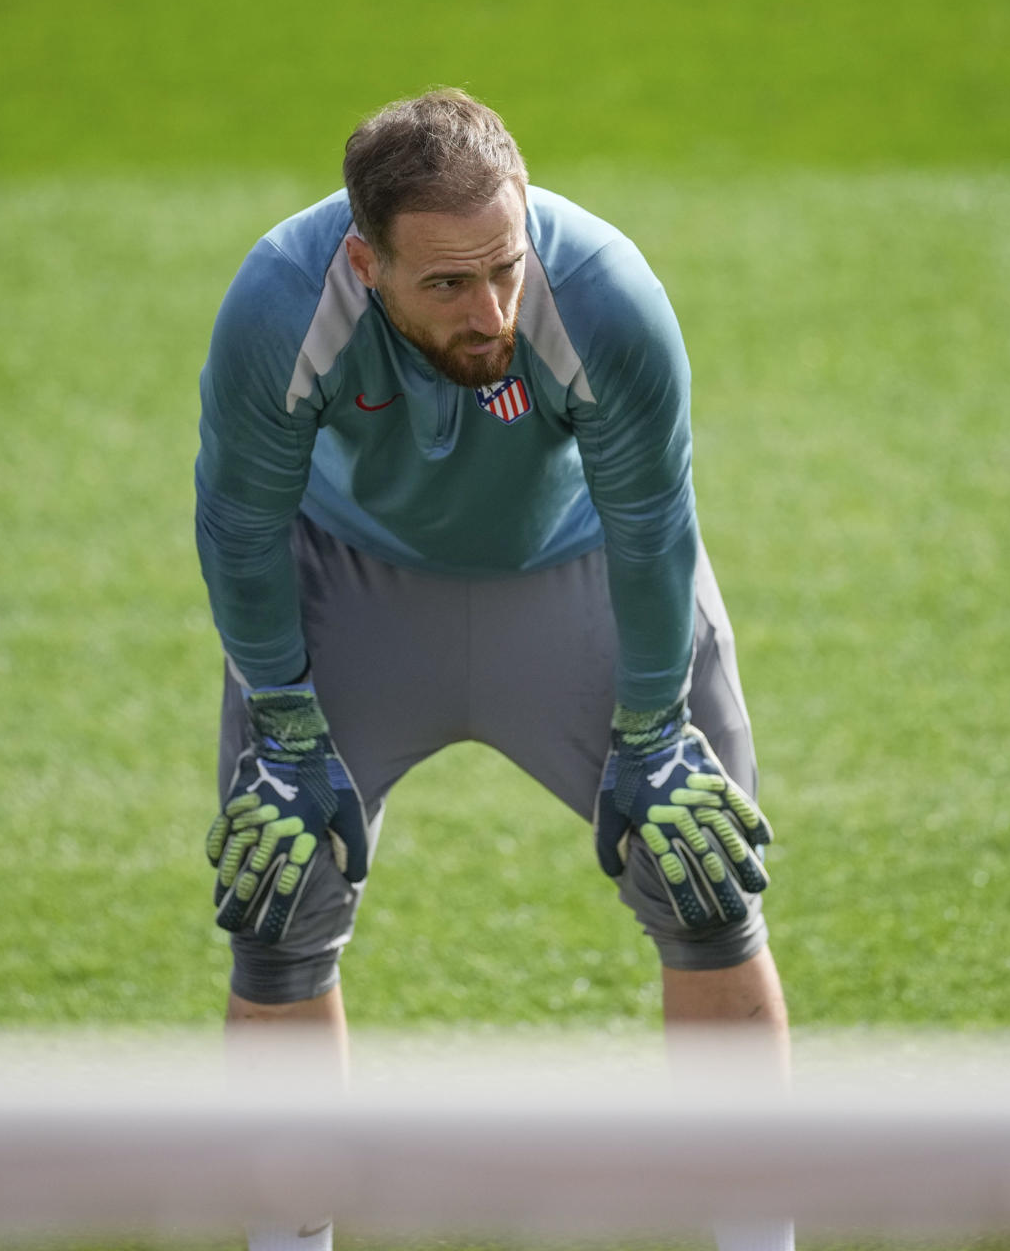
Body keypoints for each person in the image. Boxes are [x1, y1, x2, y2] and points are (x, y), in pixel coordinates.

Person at [195, 89, 792, 1251]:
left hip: (579, 577)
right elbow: (238, 522)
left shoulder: (606, 293)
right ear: (365, 262)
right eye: (449, 285)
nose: (494, 309)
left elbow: (654, 523)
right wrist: (285, 723)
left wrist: (655, 727)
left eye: (506, 267)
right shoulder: (281, 301)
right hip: (349, 587)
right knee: (275, 903)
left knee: (707, 882)